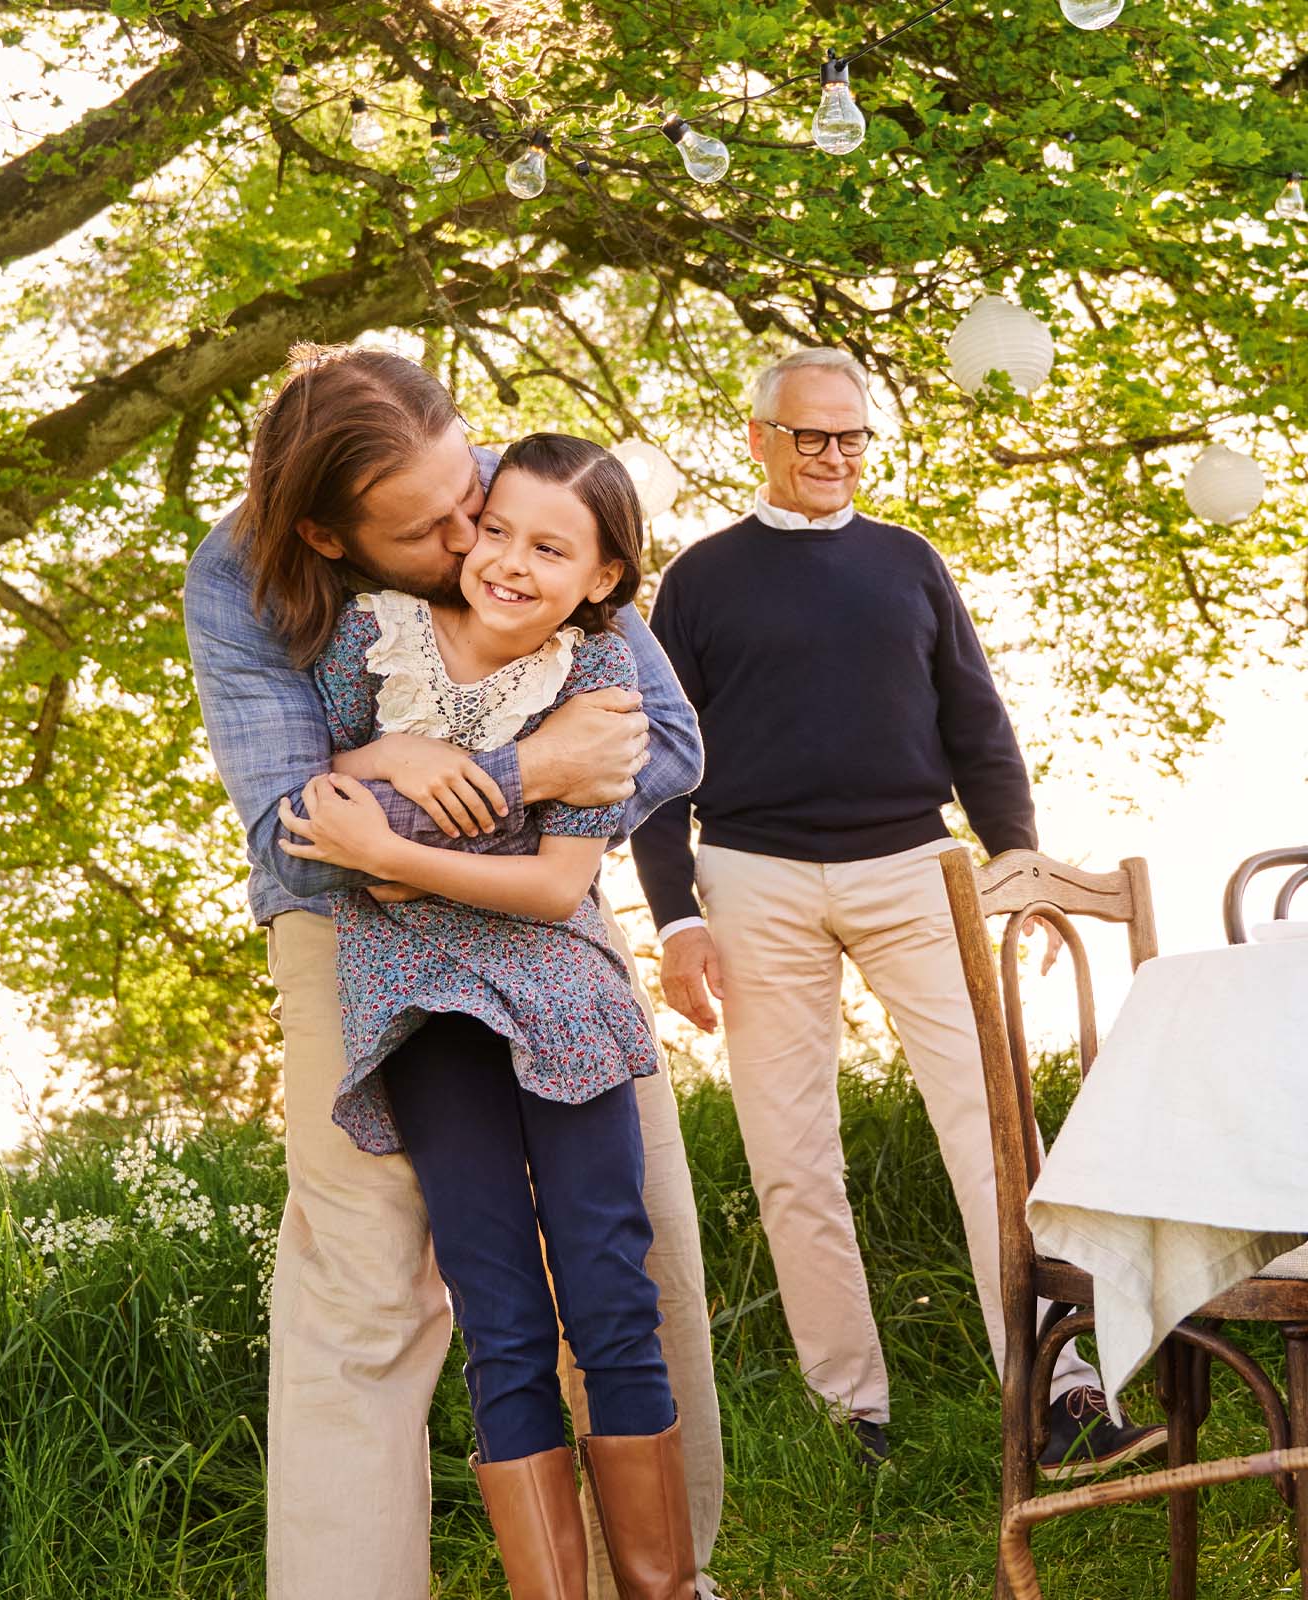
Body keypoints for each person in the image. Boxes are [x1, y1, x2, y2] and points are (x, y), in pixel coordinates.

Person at [184, 346, 723, 1599]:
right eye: (434, 526)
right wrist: (521, 772)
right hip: (364, 956)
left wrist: (444, 798)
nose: (478, 533)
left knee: (640, 1249)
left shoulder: (523, 509)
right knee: (369, 1288)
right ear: (324, 533)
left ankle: (670, 1575)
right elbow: (305, 849)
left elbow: (666, 740)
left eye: (470, 487)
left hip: (550, 932)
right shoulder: (241, 583)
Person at [629, 347, 1167, 1480]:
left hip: (917, 871)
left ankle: (1058, 1389)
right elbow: (655, 768)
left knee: (996, 1131)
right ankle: (850, 1414)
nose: (835, 457)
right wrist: (676, 920)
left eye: (852, 437)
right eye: (811, 436)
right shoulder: (697, 580)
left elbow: (978, 724)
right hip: (751, 881)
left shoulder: (908, 563)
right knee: (790, 1156)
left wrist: (1014, 861)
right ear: (758, 438)